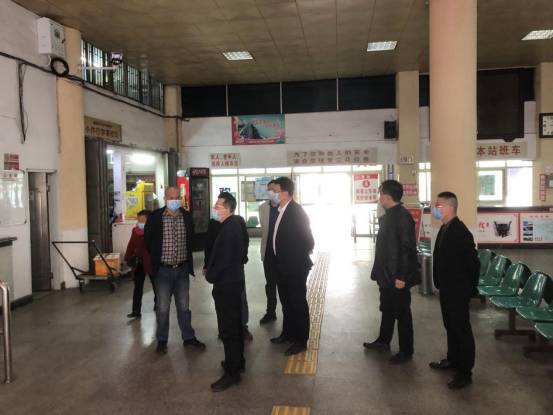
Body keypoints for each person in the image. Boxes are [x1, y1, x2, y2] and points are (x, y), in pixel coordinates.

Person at [364, 180, 420, 364]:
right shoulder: (389, 215)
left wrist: (402, 277)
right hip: (386, 274)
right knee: (387, 309)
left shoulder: (402, 217)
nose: (379, 197)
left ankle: (406, 351)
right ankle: (383, 341)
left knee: (402, 314)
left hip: (397, 276)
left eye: (380, 193)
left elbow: (407, 250)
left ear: (387, 196)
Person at [144, 186, 205, 354]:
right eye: (171, 197)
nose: (174, 200)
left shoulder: (186, 216)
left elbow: (191, 239)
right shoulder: (155, 217)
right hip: (163, 271)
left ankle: (188, 337)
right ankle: (162, 340)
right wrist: (158, 259)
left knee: (184, 306)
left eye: (177, 197)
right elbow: (148, 241)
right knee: (162, 308)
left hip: (182, 270)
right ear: (165, 198)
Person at [430, 191, 479, 390]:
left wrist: (468, 290)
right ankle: (453, 360)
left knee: (461, 329)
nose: (435, 208)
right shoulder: (445, 228)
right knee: (450, 326)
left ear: (450, 207)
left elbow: (473, 264)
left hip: (458, 291)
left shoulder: (460, 232)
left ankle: (465, 372)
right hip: (447, 288)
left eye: (438, 205)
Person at [205, 192, 247, 392]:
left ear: (228, 208)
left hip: (227, 285)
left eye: (218, 206)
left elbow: (224, 260)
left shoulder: (230, 229)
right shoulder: (234, 223)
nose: (215, 208)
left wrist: (210, 275)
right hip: (233, 282)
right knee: (235, 325)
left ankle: (232, 373)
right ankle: (237, 361)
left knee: (228, 329)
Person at [269, 176, 315, 356]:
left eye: (275, 191)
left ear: (286, 193)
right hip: (282, 265)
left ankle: (301, 340)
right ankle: (288, 334)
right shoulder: (281, 210)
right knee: (286, 302)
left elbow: (309, 241)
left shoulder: (296, 211)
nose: (272, 194)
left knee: (297, 303)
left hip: (294, 267)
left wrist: (293, 255)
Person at [204, 214, 252, 341]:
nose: (216, 209)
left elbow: (245, 240)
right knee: (221, 301)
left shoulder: (237, 221)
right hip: (219, 269)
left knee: (240, 297)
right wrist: (207, 265)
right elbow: (209, 245)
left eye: (219, 206)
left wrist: (241, 258)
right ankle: (223, 329)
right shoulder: (214, 223)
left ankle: (242, 326)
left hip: (235, 269)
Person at [124, 209, 155, 318]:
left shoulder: (154, 231)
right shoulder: (135, 231)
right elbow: (131, 244)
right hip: (139, 262)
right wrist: (127, 257)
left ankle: (158, 305)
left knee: (156, 286)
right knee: (138, 287)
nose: (139, 222)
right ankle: (136, 311)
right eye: (138, 220)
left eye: (142, 220)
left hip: (151, 262)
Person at [258, 179, 281, 324]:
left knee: (284, 285)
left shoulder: (285, 207)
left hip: (283, 254)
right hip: (268, 252)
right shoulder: (263, 208)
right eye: (269, 190)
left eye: (274, 190)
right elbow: (264, 230)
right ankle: (270, 312)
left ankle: (289, 314)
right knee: (270, 284)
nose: (271, 192)